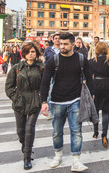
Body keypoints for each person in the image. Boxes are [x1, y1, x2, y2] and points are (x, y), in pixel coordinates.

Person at [40, 32, 94, 172]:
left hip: (76, 99)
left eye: (65, 44)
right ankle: (58, 155)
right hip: (57, 101)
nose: (61, 46)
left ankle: (76, 160)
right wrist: (43, 102)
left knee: (76, 131)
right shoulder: (53, 60)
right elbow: (45, 82)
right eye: (60, 43)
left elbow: (89, 77)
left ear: (72, 44)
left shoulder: (81, 59)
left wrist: (92, 95)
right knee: (57, 131)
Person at [5, 42, 44, 170]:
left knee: (29, 128)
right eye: (28, 52)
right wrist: (15, 97)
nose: (30, 54)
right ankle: (24, 144)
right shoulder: (17, 68)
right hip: (20, 101)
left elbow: (46, 85)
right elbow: (9, 87)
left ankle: (27, 156)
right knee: (20, 130)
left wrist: (42, 99)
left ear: (36, 53)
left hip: (35, 100)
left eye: (33, 52)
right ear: (24, 53)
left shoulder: (41, 68)